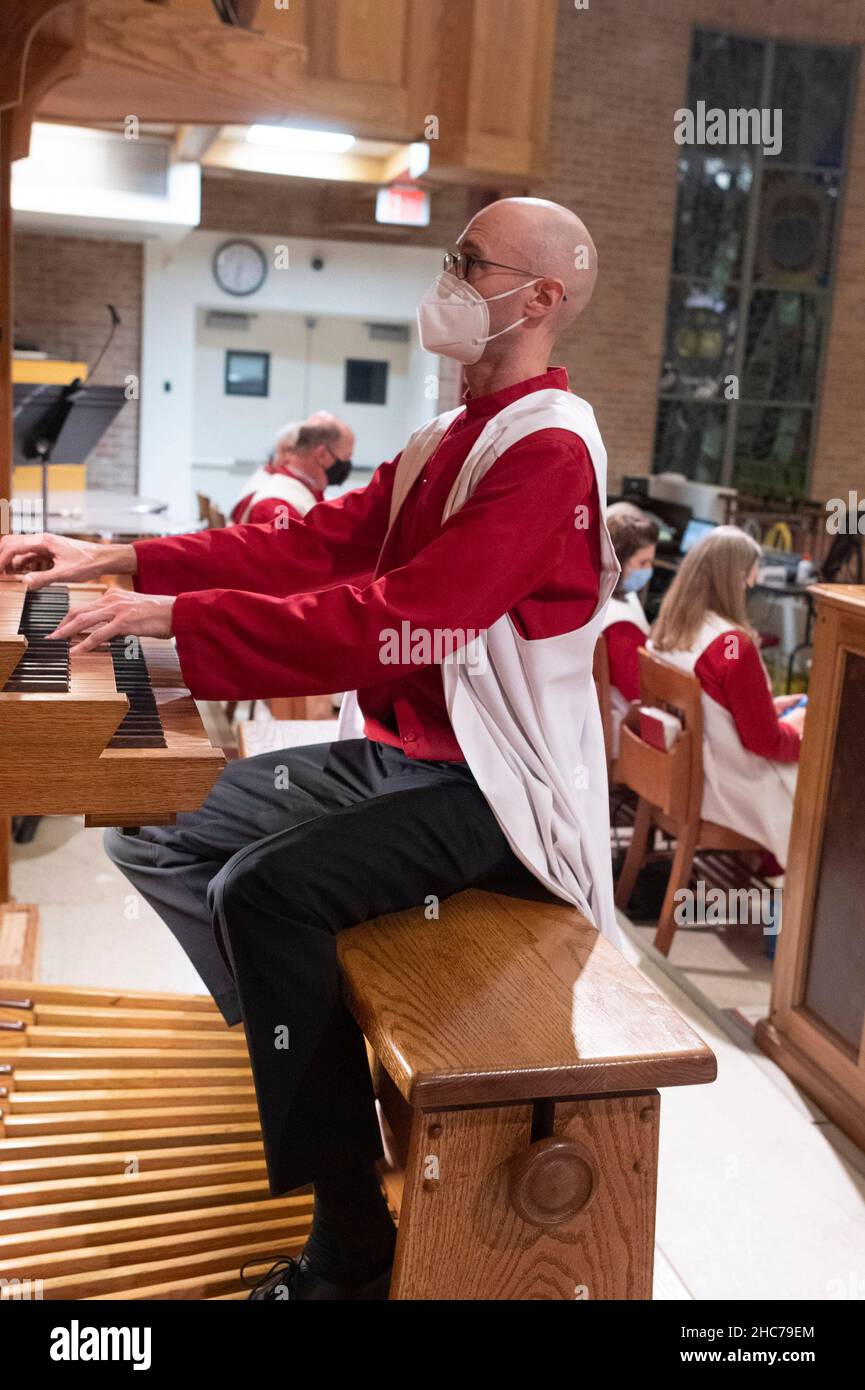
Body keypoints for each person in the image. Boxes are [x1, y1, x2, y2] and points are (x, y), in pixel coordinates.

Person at [0, 196, 619, 1302]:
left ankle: (350, 1238)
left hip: (495, 784)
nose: (447, 276)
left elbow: (403, 614)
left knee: (264, 891)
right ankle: (313, 1065)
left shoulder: (550, 453)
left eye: (467, 261)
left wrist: (178, 626)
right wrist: (120, 558)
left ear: (541, 299)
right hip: (398, 749)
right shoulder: (445, 435)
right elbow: (313, 542)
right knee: (160, 835)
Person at [648, 525, 804, 868]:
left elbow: (715, 708)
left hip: (679, 782)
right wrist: (805, 733)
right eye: (749, 579)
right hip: (730, 790)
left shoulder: (665, 633)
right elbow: (764, 742)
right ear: (733, 579)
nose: (751, 587)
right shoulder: (732, 646)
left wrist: (770, 708)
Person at [600, 512, 659, 755]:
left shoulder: (606, 595)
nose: (649, 571)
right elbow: (640, 690)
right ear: (620, 560)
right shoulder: (621, 624)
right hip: (624, 728)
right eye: (642, 563)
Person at [230, 414, 355, 525]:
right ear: (322, 455)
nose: (346, 465)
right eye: (346, 457)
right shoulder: (278, 504)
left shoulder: (304, 489)